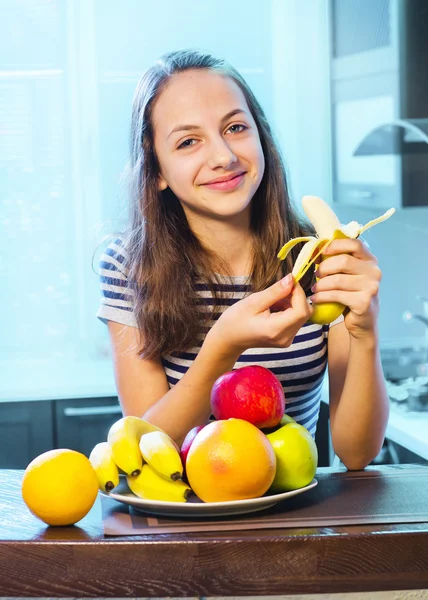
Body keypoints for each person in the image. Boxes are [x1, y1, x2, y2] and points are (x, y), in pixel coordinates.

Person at [97, 49, 389, 470]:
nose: (223, 156)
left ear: (261, 136)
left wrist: (364, 332)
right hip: (185, 523)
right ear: (157, 169)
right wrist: (223, 347)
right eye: (188, 141)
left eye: (235, 127)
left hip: (293, 517)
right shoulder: (128, 266)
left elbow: (357, 453)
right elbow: (145, 451)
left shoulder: (319, 256)